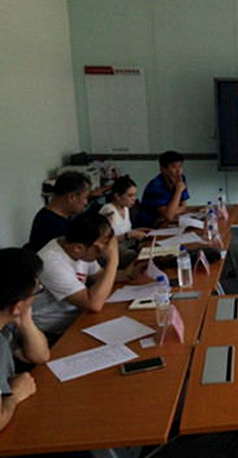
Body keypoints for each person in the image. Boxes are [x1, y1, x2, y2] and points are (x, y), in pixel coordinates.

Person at [32, 212, 143, 340]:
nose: (104, 251)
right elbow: (93, 304)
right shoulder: (52, 262)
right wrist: (113, 260)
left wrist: (129, 274)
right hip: (53, 333)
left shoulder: (80, 247)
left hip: (79, 318)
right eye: (101, 247)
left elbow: (100, 277)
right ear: (78, 248)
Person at [0, 248, 50, 431]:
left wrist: (24, 317)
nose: (37, 295)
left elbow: (40, 356)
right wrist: (15, 395)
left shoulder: (5, 323)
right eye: (37, 290)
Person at [25, 171, 90, 253]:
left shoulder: (61, 216)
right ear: (71, 197)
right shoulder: (51, 225)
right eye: (85, 198)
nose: (86, 203)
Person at [100, 176, 149, 266]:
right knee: (136, 257)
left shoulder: (126, 208)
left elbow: (126, 230)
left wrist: (143, 230)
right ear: (117, 196)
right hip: (115, 250)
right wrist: (129, 235)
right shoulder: (108, 211)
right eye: (130, 196)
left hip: (128, 245)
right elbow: (104, 241)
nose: (134, 199)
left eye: (135, 195)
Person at [136, 150, 191, 227]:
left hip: (165, 222)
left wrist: (172, 212)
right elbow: (169, 215)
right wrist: (178, 191)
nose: (179, 171)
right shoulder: (155, 186)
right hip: (149, 227)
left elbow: (184, 206)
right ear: (163, 169)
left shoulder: (181, 178)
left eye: (180, 166)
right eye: (174, 167)